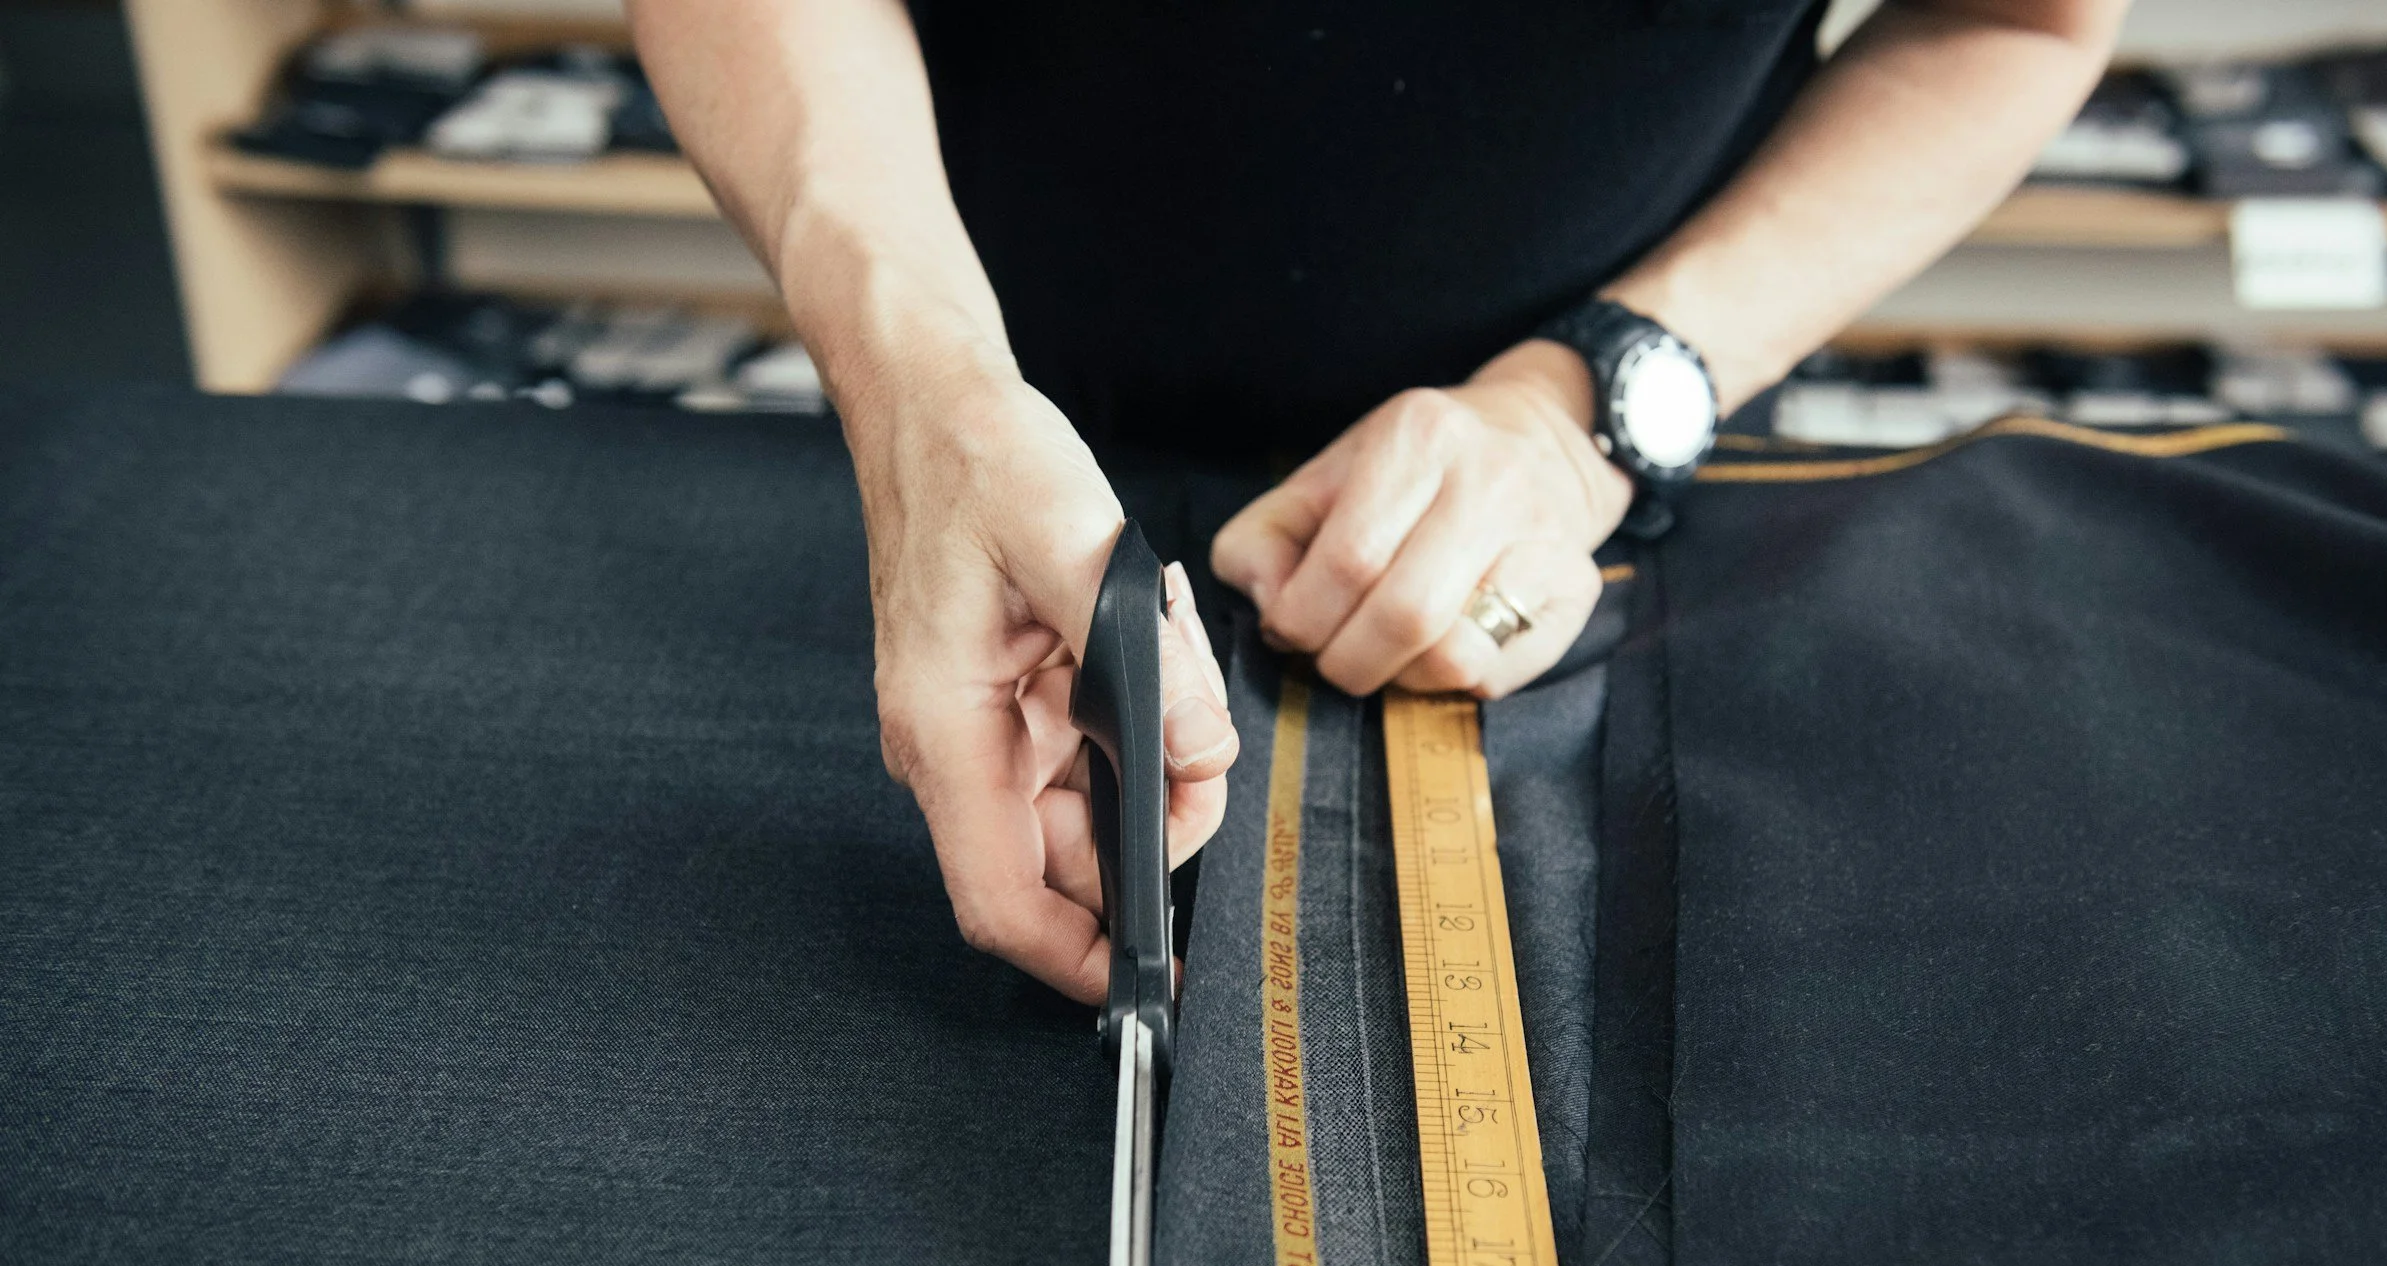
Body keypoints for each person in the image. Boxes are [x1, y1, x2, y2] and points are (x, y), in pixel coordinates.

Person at [630, 0, 2127, 1000]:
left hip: (1580, 488)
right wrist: (923, 397)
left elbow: (2013, 14)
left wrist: (1583, 412)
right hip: (971, 413)